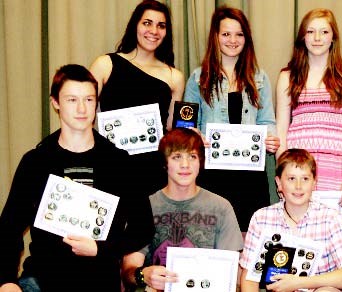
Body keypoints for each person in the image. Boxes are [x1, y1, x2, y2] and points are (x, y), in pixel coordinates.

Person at [0, 64, 154, 292]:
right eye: (72, 100)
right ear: (55, 103)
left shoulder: (119, 162)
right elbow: (8, 230)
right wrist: (6, 281)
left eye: (89, 100)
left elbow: (143, 227)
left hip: (99, 280)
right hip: (42, 280)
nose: (82, 108)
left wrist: (101, 248)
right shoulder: (36, 162)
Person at [183, 6, 279, 232]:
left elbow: (267, 122)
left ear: (246, 38)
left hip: (250, 176)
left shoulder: (260, 77)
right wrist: (194, 135)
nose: (233, 40)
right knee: (212, 236)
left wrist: (270, 140)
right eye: (226, 34)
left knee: (249, 239)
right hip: (213, 173)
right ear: (215, 37)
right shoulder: (198, 78)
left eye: (239, 34)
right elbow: (186, 125)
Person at [121, 128, 243, 291]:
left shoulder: (221, 207)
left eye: (192, 157)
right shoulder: (146, 206)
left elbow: (232, 274)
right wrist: (144, 275)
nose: (185, 165)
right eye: (177, 157)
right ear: (165, 163)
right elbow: (128, 270)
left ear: (201, 162)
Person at [276, 8, 342, 231]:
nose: (317, 38)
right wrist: (282, 175)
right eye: (310, 31)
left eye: (324, 31)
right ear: (302, 37)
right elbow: (281, 131)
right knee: (295, 240)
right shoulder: (287, 76)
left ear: (333, 36)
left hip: (337, 175)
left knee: (333, 241)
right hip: (297, 174)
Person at [90, 0, 185, 196]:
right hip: (109, 167)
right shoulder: (105, 64)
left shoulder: (174, 77)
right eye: (147, 23)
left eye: (161, 25)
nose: (154, 30)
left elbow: (171, 130)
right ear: (135, 25)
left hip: (151, 173)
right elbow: (85, 116)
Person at [240, 149, 342, 292]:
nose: (298, 186)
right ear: (279, 183)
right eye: (291, 179)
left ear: (314, 183)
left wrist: (299, 283)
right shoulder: (261, 218)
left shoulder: (331, 218)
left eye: (305, 179)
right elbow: (249, 279)